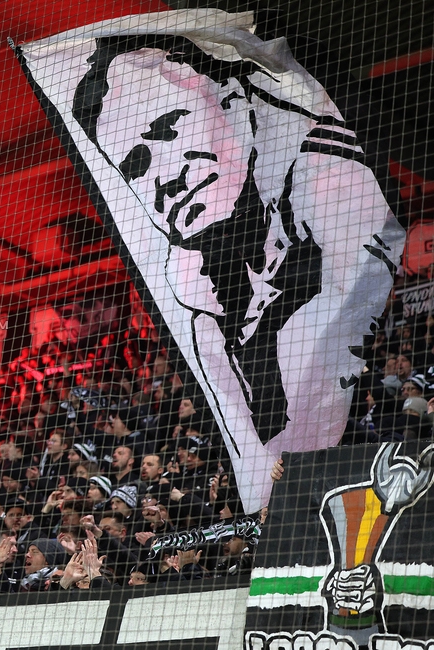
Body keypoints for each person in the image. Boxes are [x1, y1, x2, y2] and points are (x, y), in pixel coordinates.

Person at [70, 32, 401, 485]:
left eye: (168, 129)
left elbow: (333, 358)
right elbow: (244, 433)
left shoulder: (329, 176)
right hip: (296, 490)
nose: (163, 179)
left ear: (233, 104)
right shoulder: (190, 282)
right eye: (136, 166)